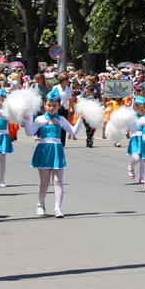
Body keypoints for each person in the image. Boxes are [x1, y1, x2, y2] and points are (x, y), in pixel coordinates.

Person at [23, 87, 83, 217]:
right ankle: (40, 205)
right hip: (44, 150)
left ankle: (58, 208)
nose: (51, 108)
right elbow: (29, 132)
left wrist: (80, 120)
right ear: (45, 105)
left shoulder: (61, 119)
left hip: (57, 150)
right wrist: (27, 120)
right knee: (44, 182)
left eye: (54, 105)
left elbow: (73, 131)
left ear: (59, 105)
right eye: (49, 105)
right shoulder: (40, 119)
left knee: (58, 181)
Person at [0, 88, 12, 188]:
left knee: (3, 158)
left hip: (4, 136)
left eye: (3, 100)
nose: (1, 102)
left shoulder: (7, 112)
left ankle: (2, 179)